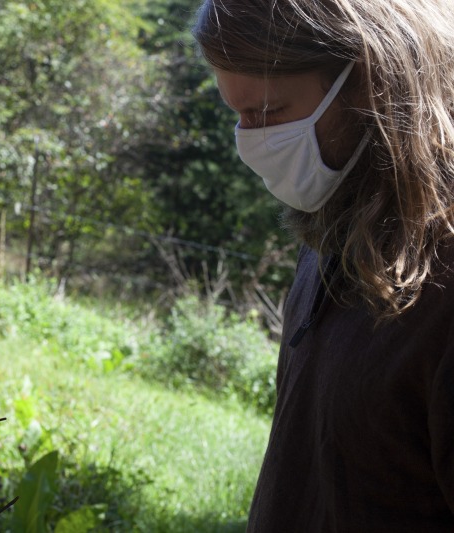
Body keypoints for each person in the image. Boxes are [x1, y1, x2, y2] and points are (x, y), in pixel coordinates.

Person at [193, 0, 454, 531]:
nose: (249, 142)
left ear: (371, 82)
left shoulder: (443, 271)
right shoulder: (335, 216)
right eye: (237, 115)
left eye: (268, 114)